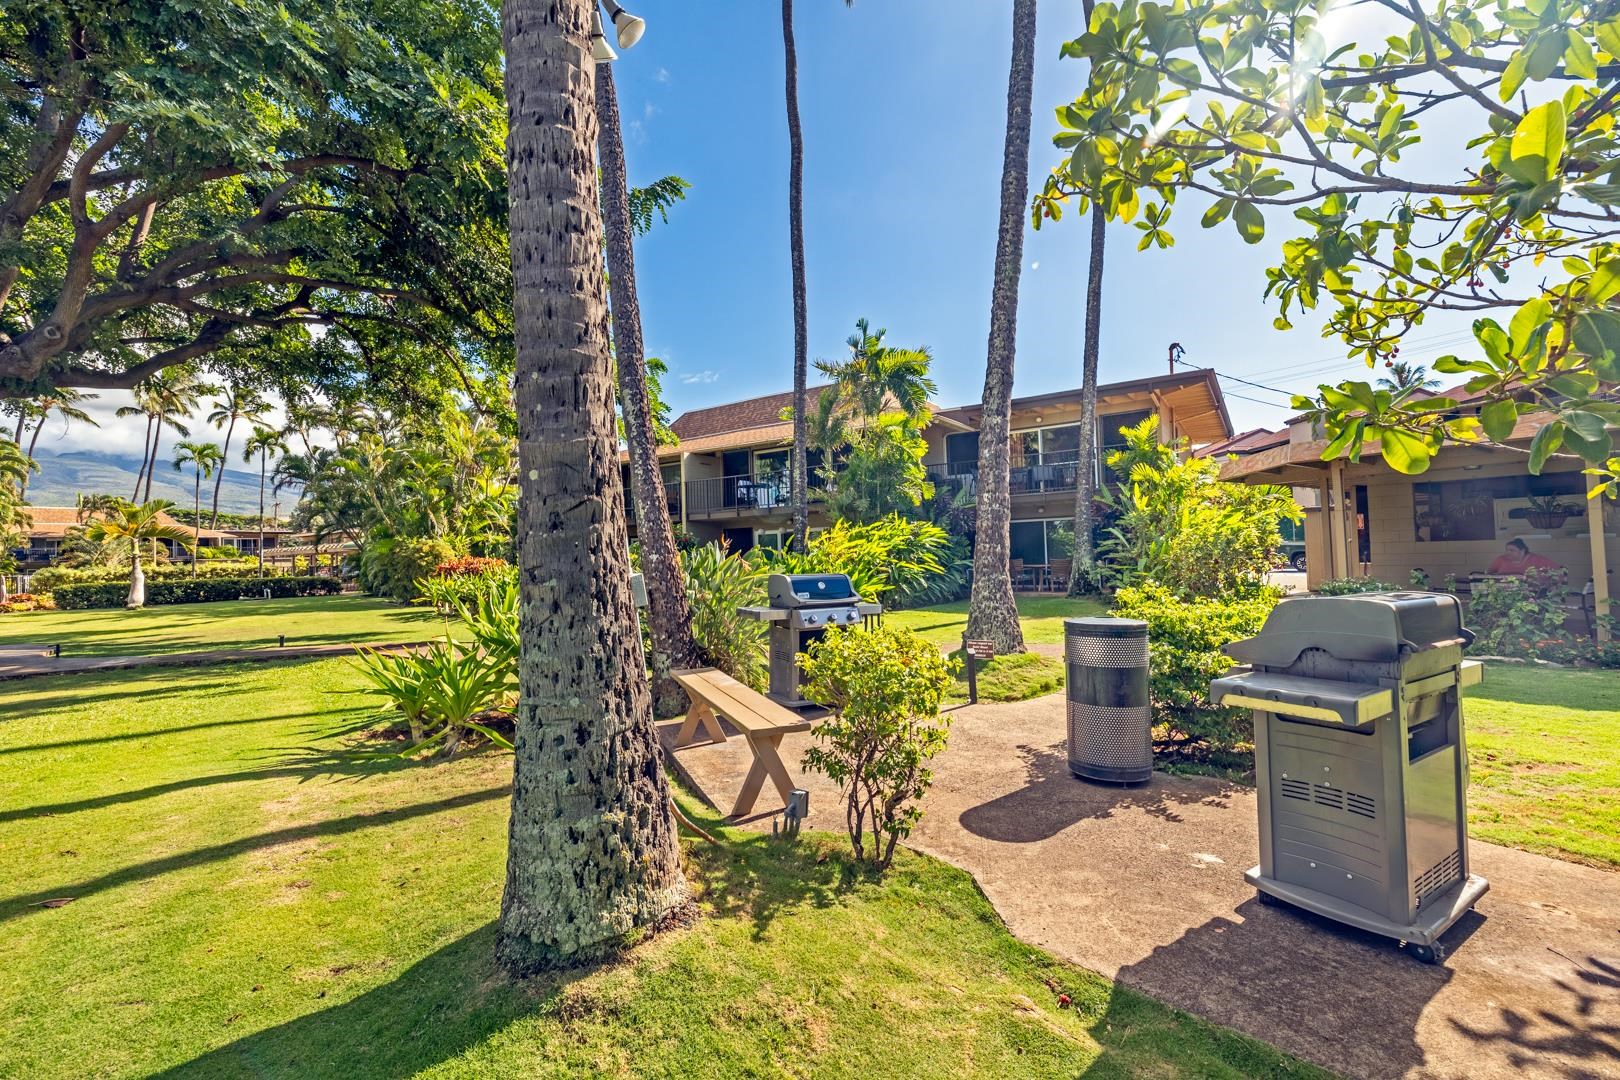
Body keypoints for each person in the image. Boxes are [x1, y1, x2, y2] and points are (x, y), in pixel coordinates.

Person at [1488, 538, 1560, 576]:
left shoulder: (1537, 559)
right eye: (1507, 550)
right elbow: (1489, 574)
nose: (1508, 552)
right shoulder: (1500, 560)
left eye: (1512, 550)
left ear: (1522, 551)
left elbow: (1557, 571)